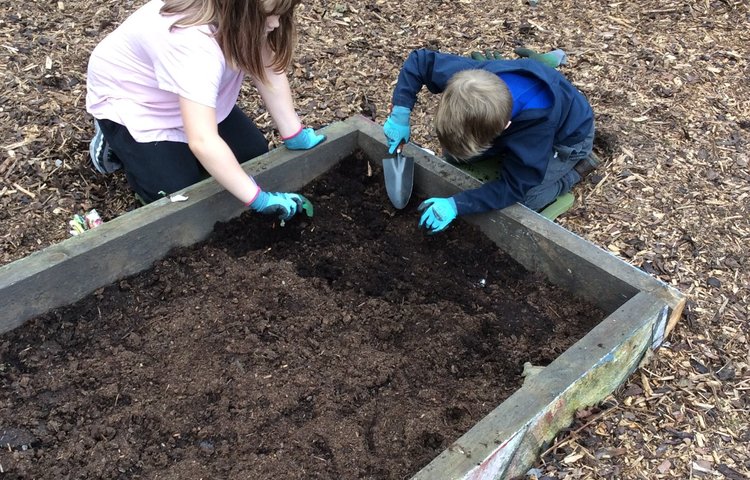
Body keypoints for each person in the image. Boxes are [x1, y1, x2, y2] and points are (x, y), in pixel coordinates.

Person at [86, 0, 324, 220]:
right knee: (176, 193)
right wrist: (259, 200)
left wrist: (294, 133)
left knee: (253, 156)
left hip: (189, 94)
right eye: (268, 16)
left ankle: (183, 139)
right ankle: (111, 140)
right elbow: (202, 140)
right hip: (137, 103)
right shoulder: (193, 44)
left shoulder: (242, 16)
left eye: (280, 13)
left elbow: (267, 66)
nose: (275, 23)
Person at [383, 48, 598, 233]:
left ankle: (574, 173)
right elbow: (420, 61)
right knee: (455, 156)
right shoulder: (468, 83)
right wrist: (400, 112)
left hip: (567, 140)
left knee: (526, 201)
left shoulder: (537, 126)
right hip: (517, 123)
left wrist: (457, 205)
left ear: (504, 128)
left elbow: (515, 187)